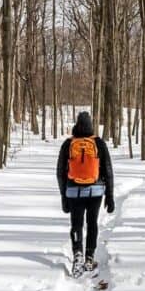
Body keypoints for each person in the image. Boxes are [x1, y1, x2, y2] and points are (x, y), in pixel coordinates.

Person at [56, 112, 114, 276]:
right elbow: (108, 171)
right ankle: (89, 257)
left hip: (73, 193)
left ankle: (78, 255)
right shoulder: (98, 143)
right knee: (92, 223)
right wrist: (109, 196)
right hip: (95, 192)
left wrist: (63, 196)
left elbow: (60, 172)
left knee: (77, 225)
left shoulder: (68, 144)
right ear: (91, 126)